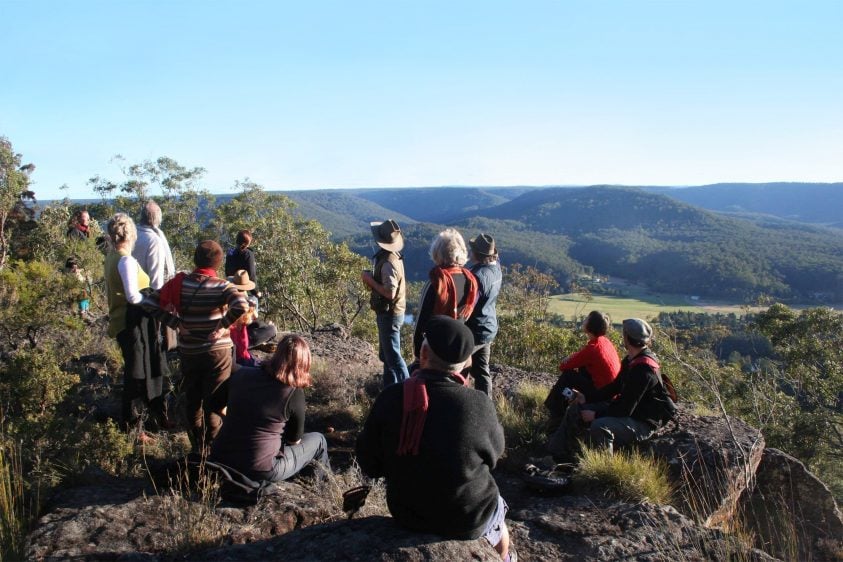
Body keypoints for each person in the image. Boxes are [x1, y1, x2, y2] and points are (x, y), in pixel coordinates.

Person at [356, 316, 512, 561]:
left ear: (424, 353)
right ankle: (503, 557)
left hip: (407, 513)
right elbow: (494, 456)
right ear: (463, 365)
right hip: (467, 518)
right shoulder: (478, 403)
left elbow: (370, 464)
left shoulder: (391, 398)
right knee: (498, 510)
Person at [144, 240, 249, 452]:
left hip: (190, 351)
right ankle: (212, 448)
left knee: (192, 400)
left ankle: (197, 447)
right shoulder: (222, 285)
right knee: (215, 402)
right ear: (218, 264)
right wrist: (222, 326)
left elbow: (148, 303)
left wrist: (177, 324)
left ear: (195, 259)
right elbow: (242, 305)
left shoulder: (179, 284)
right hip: (217, 353)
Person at [547, 318, 676, 463]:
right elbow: (614, 387)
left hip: (643, 423)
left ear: (627, 338)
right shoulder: (631, 360)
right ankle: (556, 454)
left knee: (600, 426)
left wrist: (595, 415)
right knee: (576, 408)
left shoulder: (644, 370)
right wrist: (586, 398)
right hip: (629, 413)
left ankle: (603, 468)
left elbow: (625, 409)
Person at [210, 335, 330, 482]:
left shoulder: (241, 374)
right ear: (304, 364)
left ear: (276, 355)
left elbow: (214, 405)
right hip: (259, 470)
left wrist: (237, 419)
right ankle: (318, 489)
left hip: (219, 460)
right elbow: (294, 441)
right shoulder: (293, 392)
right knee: (319, 440)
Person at [103, 213, 168, 441]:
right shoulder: (125, 260)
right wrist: (154, 302)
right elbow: (132, 296)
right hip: (131, 325)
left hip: (121, 322)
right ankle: (132, 428)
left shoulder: (111, 256)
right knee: (136, 375)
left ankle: (133, 425)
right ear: (131, 234)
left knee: (134, 373)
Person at [412, 228, 478, 362]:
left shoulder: (437, 283)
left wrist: (419, 353)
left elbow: (421, 321)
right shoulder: (470, 281)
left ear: (438, 253)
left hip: (436, 347)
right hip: (458, 347)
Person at [544, 311, 621, 420]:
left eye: (586, 319)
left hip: (603, 395)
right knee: (582, 369)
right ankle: (565, 403)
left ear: (590, 326)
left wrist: (568, 359)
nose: (583, 320)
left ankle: (555, 413)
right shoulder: (604, 342)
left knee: (568, 376)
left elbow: (563, 366)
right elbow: (581, 357)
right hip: (610, 392)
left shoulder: (593, 348)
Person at [361, 219, 409, 387]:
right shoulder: (393, 257)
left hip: (390, 315)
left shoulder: (388, 261)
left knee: (394, 358)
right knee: (387, 357)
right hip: (391, 313)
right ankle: (390, 391)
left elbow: (390, 292)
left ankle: (408, 392)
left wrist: (369, 280)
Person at [466, 233, 502, 397]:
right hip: (487, 327)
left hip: (474, 331)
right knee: (481, 371)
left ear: (477, 255)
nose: (469, 252)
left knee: (460, 367)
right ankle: (486, 406)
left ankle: (462, 403)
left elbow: (468, 308)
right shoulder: (496, 268)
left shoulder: (478, 277)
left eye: (472, 250)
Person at [132, 200, 176, 291]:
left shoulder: (132, 234)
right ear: (158, 219)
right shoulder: (154, 241)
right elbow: (156, 277)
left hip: (132, 290)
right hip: (147, 296)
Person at [226, 270, 258, 367]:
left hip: (235, 345)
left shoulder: (228, 297)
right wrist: (252, 307)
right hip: (240, 353)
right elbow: (254, 317)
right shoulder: (243, 304)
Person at [225, 230, 258, 296]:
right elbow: (251, 275)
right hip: (243, 289)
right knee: (255, 301)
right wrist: (256, 292)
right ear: (248, 242)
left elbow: (227, 272)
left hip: (230, 288)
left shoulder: (230, 253)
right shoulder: (248, 254)